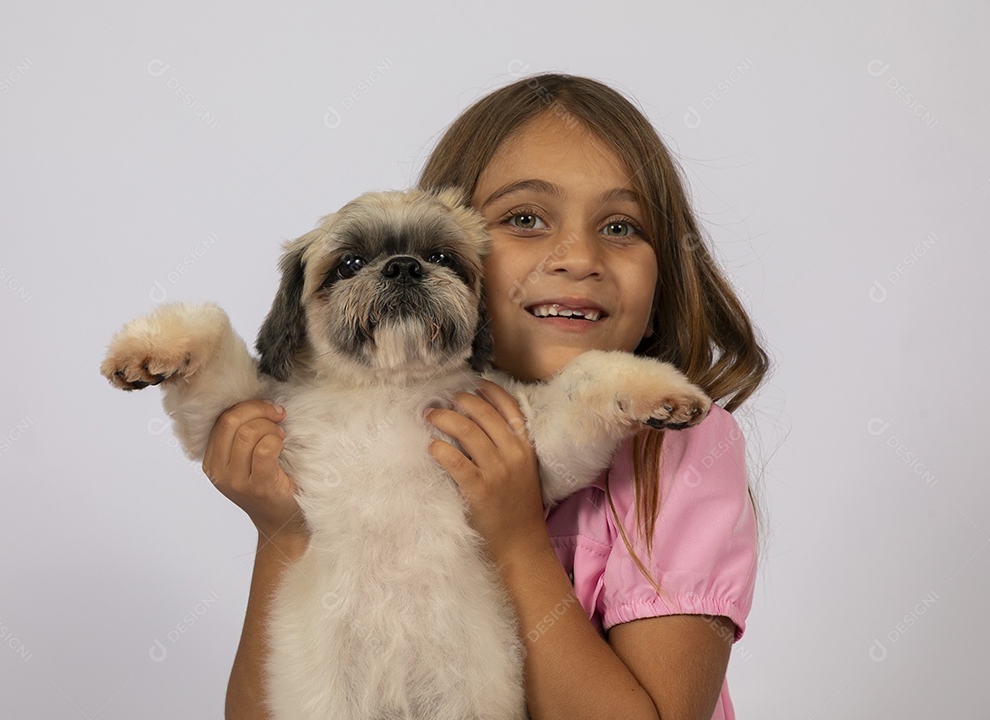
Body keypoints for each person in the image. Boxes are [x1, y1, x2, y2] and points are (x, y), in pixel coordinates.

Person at [205, 73, 768, 720]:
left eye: (620, 226)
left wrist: (516, 538)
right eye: (525, 219)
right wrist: (282, 534)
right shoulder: (382, 441)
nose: (578, 256)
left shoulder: (678, 451)